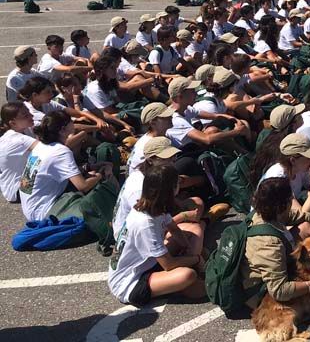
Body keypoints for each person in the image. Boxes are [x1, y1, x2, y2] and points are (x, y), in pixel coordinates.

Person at [108, 163, 206, 306]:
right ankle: (181, 286)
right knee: (187, 275)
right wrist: (195, 259)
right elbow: (168, 264)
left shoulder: (154, 205)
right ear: (171, 189)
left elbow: (174, 229)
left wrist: (188, 248)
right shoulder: (145, 223)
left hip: (148, 263)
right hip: (130, 282)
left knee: (193, 231)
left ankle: (181, 281)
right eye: (177, 183)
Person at [239, 176, 310, 310]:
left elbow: (304, 216)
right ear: (282, 205)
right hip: (262, 294)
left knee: (304, 228)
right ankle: (308, 310)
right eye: (290, 200)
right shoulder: (269, 244)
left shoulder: (266, 214)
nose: (292, 202)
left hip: (274, 271)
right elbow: (279, 291)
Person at [19, 110, 115, 222]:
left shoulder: (41, 146)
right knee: (100, 189)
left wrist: (88, 168)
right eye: (71, 121)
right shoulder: (61, 151)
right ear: (63, 130)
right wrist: (100, 175)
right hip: (43, 212)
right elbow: (83, 186)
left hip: (31, 207)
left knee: (91, 175)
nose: (73, 124)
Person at [0, 102, 39, 202]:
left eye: (29, 112)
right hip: (19, 190)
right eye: (26, 116)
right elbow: (50, 151)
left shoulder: (25, 129)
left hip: (24, 181)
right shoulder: (16, 139)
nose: (31, 116)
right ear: (13, 123)